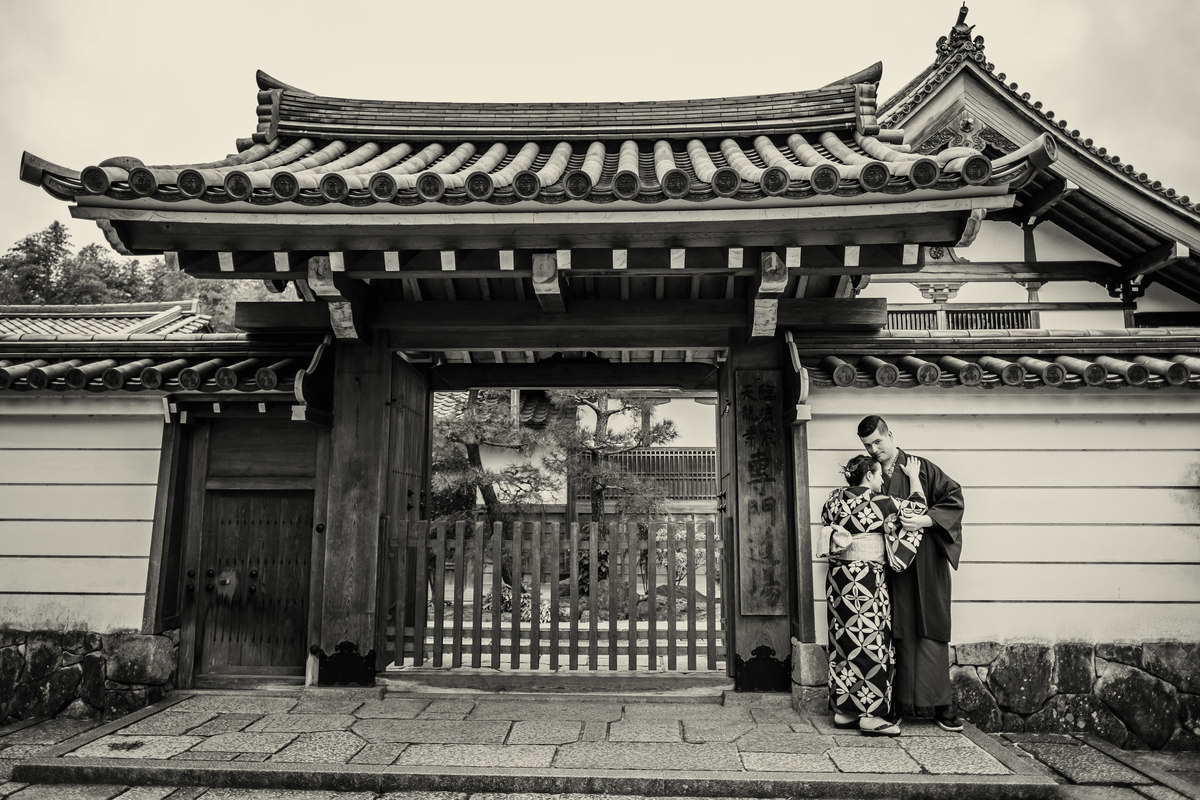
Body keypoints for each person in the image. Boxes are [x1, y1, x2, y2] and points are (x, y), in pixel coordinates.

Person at [857, 414, 966, 732]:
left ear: (890, 435)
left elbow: (954, 499)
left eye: (878, 441)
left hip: (928, 561)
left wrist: (925, 520)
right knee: (898, 630)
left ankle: (940, 705)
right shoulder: (872, 474)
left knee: (932, 628)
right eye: (868, 445)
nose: (874, 449)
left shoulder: (921, 468)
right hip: (894, 567)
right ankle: (897, 704)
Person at [820, 454, 926, 736]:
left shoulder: (833, 500)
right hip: (866, 579)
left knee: (844, 642)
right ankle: (870, 715)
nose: (882, 480)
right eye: (879, 475)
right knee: (871, 642)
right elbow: (916, 509)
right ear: (869, 475)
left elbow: (828, 522)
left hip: (838, 579)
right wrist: (914, 477)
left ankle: (844, 710)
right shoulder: (880, 502)